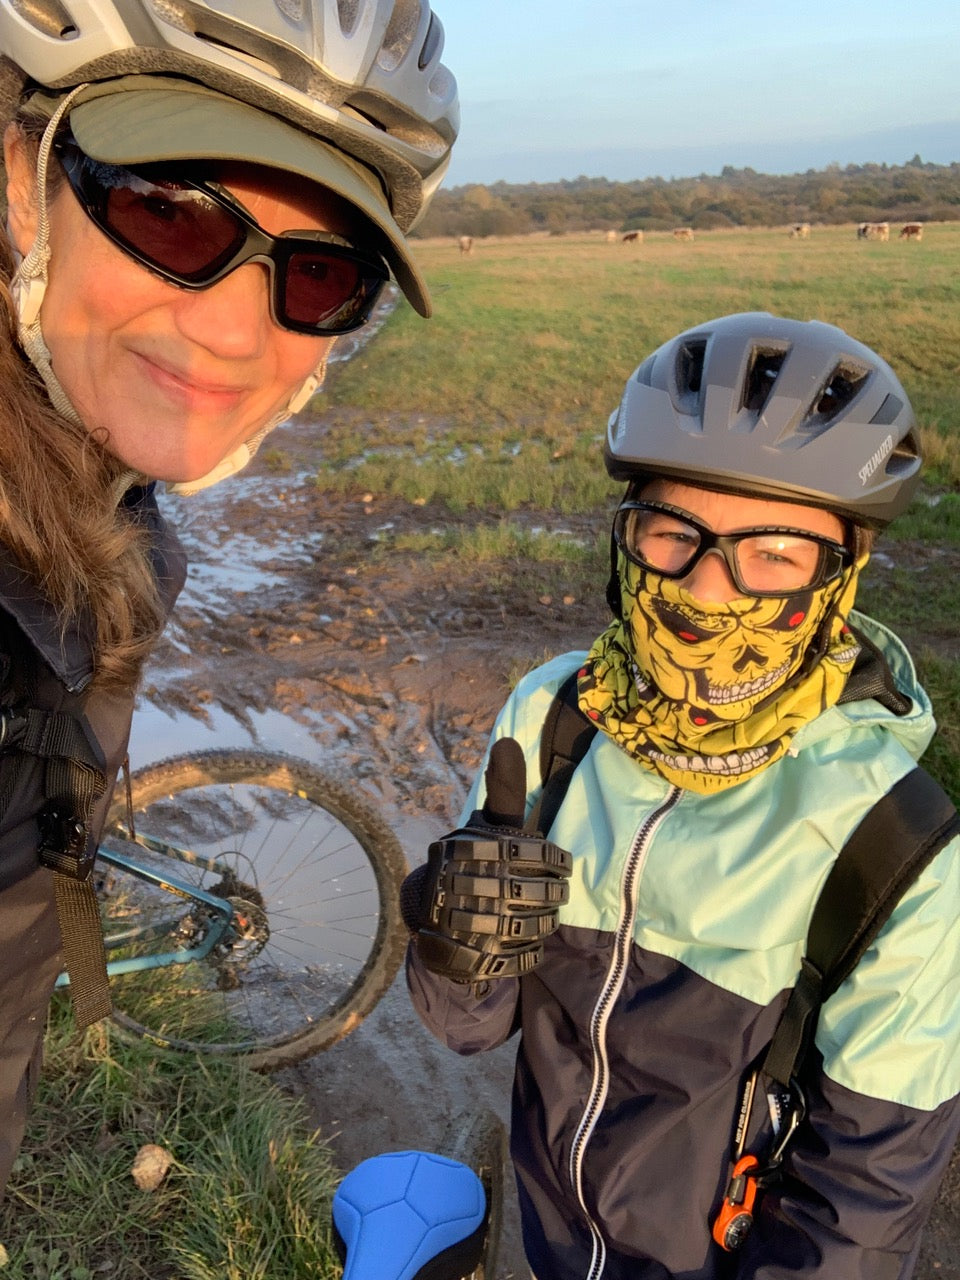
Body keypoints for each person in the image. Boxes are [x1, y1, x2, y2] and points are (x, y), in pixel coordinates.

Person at [0, 0, 457, 1194]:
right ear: (21, 178)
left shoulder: (107, 512)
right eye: (172, 212)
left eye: (321, 274)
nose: (234, 331)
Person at [404, 312, 960, 1279]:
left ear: (839, 579)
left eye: (773, 553)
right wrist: (460, 937)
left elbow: (863, 1204)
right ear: (628, 537)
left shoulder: (894, 845)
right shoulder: (554, 717)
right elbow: (466, 1026)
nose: (707, 592)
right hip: (551, 1235)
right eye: (673, 535)